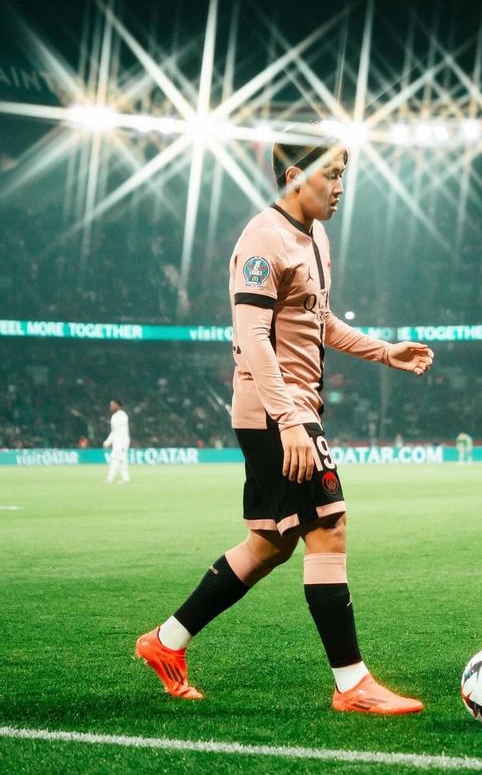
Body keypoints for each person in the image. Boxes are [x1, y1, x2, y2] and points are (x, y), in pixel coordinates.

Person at [135, 125, 434, 714]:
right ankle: (352, 684)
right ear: (295, 176)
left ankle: (166, 642)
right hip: (278, 409)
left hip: (290, 409)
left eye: (344, 175)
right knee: (329, 526)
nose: (341, 187)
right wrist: (290, 420)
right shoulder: (262, 240)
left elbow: (320, 321)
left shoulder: (315, 237)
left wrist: (385, 352)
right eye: (332, 174)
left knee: (270, 543)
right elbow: (252, 337)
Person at [103, 399, 130, 484]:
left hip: (121, 441)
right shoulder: (115, 416)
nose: (110, 407)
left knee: (117, 459)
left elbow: (118, 431)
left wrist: (108, 442)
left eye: (112, 405)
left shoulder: (122, 416)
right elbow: (114, 431)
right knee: (119, 460)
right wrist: (108, 441)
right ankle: (123, 478)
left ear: (118, 406)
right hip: (118, 441)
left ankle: (112, 479)